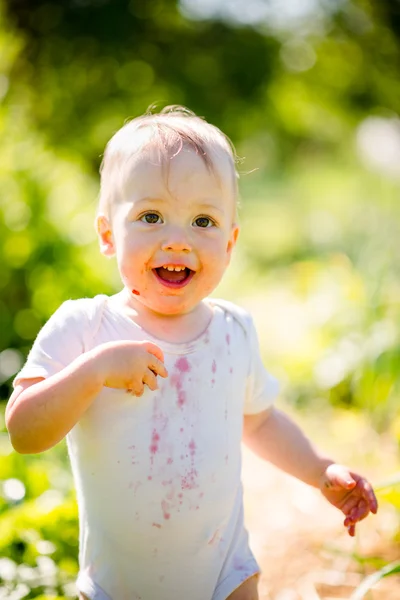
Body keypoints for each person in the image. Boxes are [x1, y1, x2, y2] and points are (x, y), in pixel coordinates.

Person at [6, 106, 378, 600]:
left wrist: (320, 471)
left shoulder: (233, 331)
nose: (177, 240)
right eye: (151, 216)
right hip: (121, 585)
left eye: (203, 220)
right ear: (107, 234)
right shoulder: (86, 327)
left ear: (230, 242)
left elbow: (260, 422)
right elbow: (24, 431)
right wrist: (92, 373)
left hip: (226, 572)